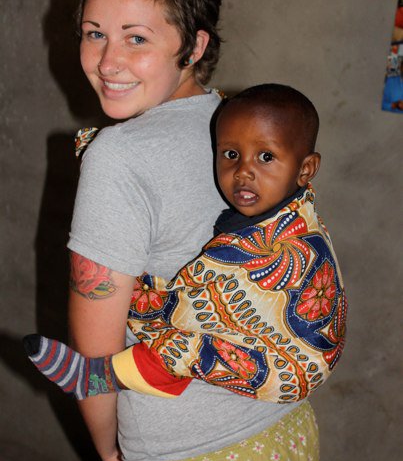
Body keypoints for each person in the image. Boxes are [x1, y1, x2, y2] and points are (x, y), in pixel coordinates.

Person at [29, 0, 328, 461]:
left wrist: (108, 443)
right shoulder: (244, 126)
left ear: (193, 47)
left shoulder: (119, 157)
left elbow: (95, 351)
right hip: (282, 438)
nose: (107, 62)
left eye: (136, 38)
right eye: (94, 33)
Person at [26, 84, 347, 408]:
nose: (243, 172)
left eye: (266, 157)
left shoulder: (283, 236)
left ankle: (94, 378)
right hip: (288, 370)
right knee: (191, 346)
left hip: (290, 369)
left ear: (306, 169)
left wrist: (134, 294)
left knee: (183, 346)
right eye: (231, 154)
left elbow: (197, 303)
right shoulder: (271, 205)